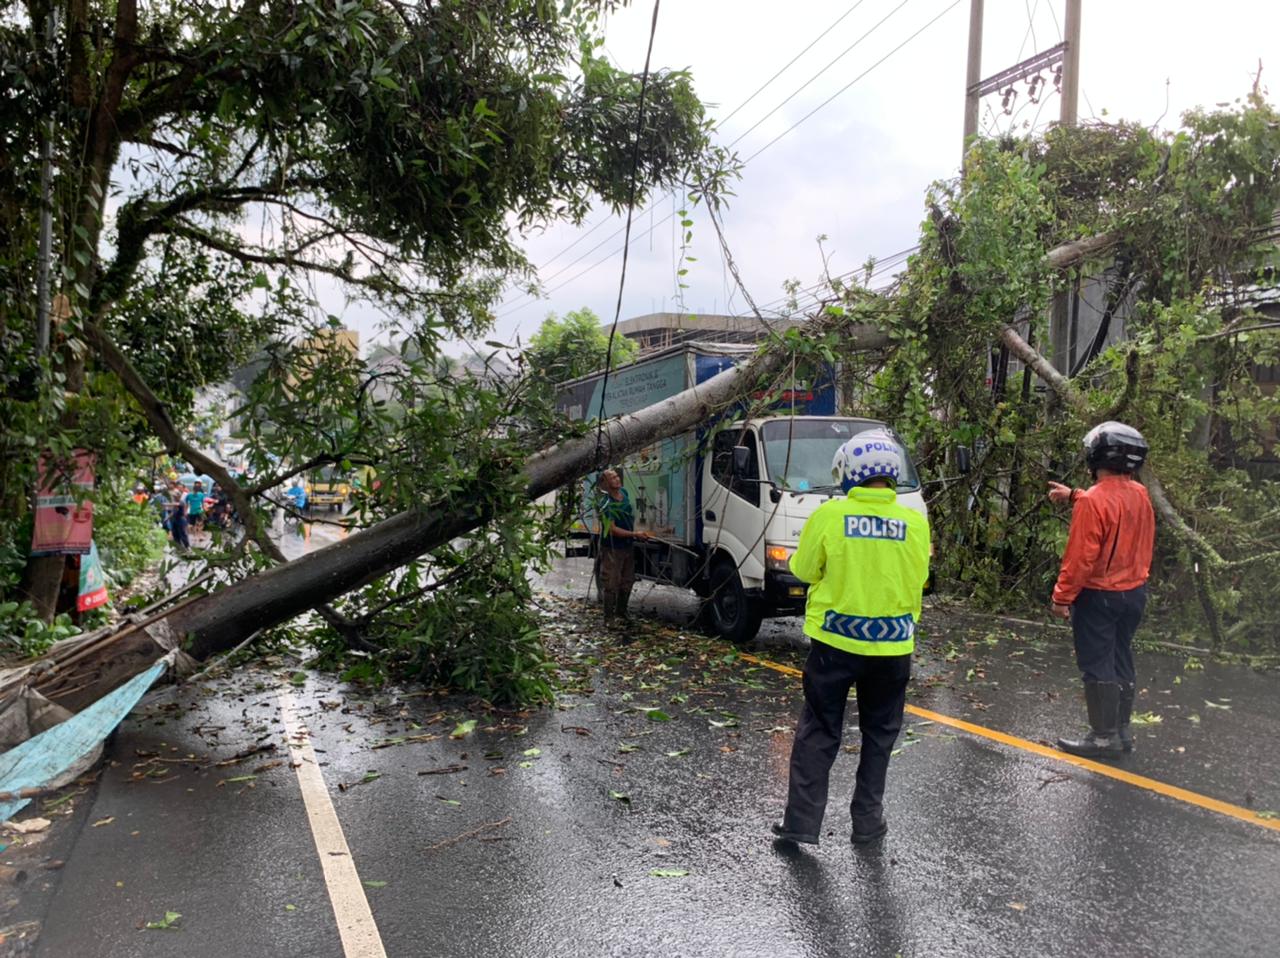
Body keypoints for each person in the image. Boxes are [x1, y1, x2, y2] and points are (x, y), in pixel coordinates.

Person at [773, 428, 930, 847]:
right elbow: (921, 579)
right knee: (879, 736)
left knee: (820, 731)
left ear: (849, 472)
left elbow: (804, 569)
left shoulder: (829, 516)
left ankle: (802, 825)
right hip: (894, 648)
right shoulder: (914, 522)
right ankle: (867, 823)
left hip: (835, 646)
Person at [1048, 421, 1155, 758]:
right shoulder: (1139, 493)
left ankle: (1102, 737)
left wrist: (1061, 598)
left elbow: (1079, 559)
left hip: (1099, 596)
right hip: (1134, 593)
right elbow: (1113, 504)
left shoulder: (1093, 502)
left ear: (1096, 456)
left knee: (1097, 663)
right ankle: (1121, 732)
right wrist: (1075, 495)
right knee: (1121, 656)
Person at [595, 468, 650, 627]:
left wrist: (634, 535)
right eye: (612, 478)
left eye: (617, 476)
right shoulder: (605, 503)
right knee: (611, 583)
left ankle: (621, 612)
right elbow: (612, 529)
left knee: (627, 580)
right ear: (604, 483)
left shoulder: (624, 493)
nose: (617, 479)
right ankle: (608, 618)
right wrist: (634, 534)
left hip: (627, 546)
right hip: (612, 548)